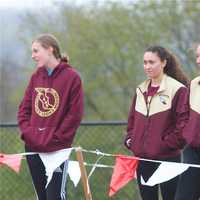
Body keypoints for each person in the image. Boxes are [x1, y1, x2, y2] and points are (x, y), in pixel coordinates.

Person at [17, 34, 84, 200]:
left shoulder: (72, 77)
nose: (32, 55)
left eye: (36, 51)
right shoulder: (36, 77)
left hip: (57, 149)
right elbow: (23, 110)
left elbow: (74, 115)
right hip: (33, 147)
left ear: (50, 50)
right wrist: (29, 134)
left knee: (55, 196)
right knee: (42, 197)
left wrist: (57, 139)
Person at [124, 45, 189, 200]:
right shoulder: (140, 89)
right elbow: (132, 121)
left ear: (164, 63)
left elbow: (183, 125)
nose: (147, 66)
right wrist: (130, 140)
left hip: (168, 159)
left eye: (152, 62)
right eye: (145, 62)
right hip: (143, 159)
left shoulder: (178, 89)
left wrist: (164, 145)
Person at [175, 44, 200, 200]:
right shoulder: (194, 84)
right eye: (197, 56)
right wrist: (187, 134)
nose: (198, 60)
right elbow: (183, 114)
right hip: (193, 150)